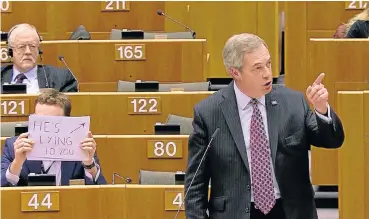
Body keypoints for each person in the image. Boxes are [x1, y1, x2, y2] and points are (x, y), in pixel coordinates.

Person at [184, 33, 344, 219]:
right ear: (235, 72)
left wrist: (321, 109)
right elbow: (195, 184)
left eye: (268, 64)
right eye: (257, 68)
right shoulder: (209, 113)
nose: (267, 73)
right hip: (236, 212)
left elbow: (332, 140)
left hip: (288, 211)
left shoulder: (293, 103)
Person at [1, 89, 106, 186]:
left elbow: (100, 194)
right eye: (40, 120)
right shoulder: (13, 146)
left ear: (68, 122)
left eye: (53, 122)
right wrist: (17, 163)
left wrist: (89, 165)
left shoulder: (81, 146)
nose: (46, 127)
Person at [1, 23, 78, 93]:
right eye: (22, 47)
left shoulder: (62, 78)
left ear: (39, 50)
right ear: (11, 52)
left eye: (33, 47)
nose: (28, 52)